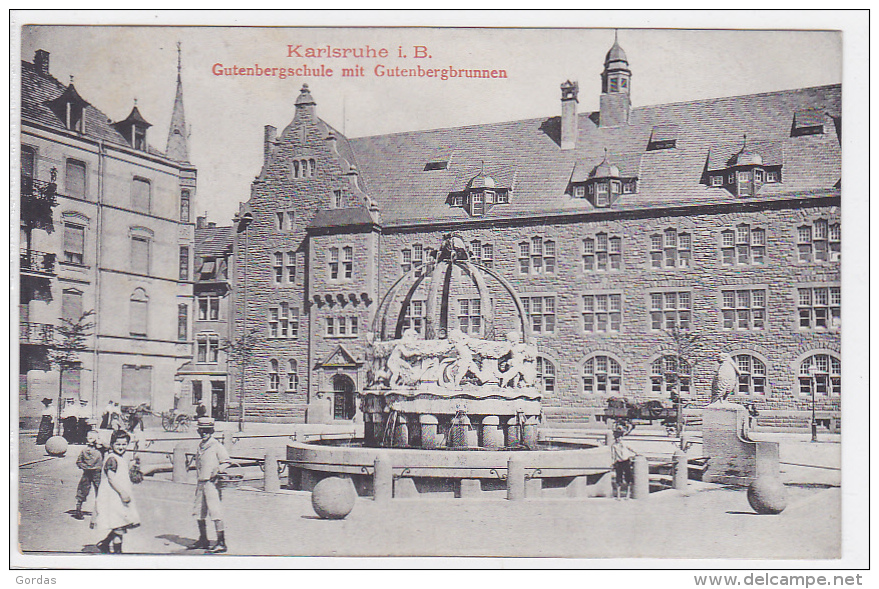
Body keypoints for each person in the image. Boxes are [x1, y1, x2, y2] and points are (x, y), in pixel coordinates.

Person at [92, 429, 140, 553]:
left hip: (118, 496)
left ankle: (105, 543)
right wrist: (122, 492)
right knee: (118, 525)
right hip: (114, 496)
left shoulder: (120, 458)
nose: (121, 447)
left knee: (120, 522)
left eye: (124, 444)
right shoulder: (112, 459)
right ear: (112, 444)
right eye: (118, 444)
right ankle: (118, 552)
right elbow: (111, 478)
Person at [190, 417, 232, 553]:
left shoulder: (216, 445)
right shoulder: (200, 445)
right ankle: (203, 539)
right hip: (201, 482)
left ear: (211, 431)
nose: (204, 433)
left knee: (215, 512)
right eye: (201, 430)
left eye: (207, 431)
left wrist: (218, 469)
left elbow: (226, 461)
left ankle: (221, 542)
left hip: (212, 483)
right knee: (199, 512)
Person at [74, 430, 103, 520]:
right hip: (87, 472)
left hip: (97, 472)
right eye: (90, 438)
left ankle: (101, 510)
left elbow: (108, 446)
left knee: (100, 490)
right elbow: (78, 461)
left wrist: (100, 441)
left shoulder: (101, 449)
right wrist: (85, 466)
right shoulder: (84, 450)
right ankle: (78, 509)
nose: (92, 440)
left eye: (94, 438)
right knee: (83, 489)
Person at [611, 428, 637, 500]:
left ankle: (627, 495)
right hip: (619, 462)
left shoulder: (625, 444)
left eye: (619, 437)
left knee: (628, 477)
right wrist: (613, 463)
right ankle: (618, 495)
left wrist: (637, 453)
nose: (618, 439)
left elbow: (631, 449)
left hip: (626, 461)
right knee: (618, 478)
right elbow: (613, 455)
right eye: (616, 438)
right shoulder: (614, 445)